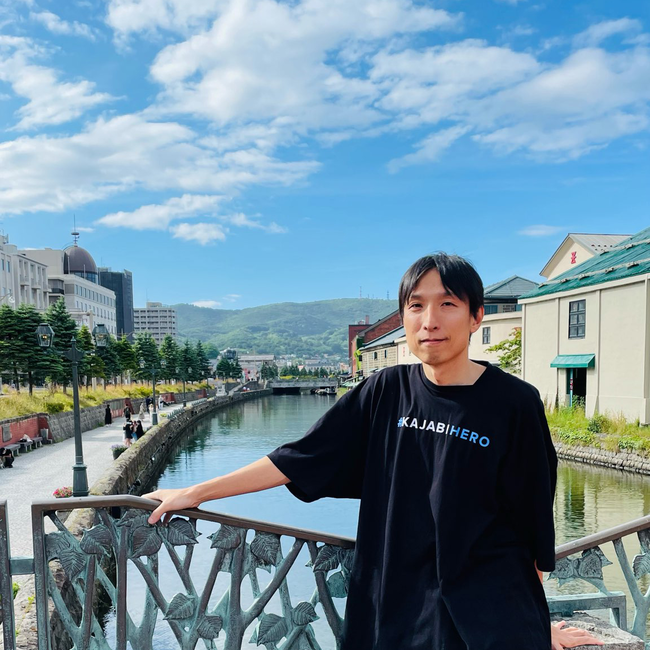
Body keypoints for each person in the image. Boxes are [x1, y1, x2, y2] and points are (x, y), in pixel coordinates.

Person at [144, 253, 602, 650]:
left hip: (488, 611)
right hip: (394, 602)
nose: (430, 320)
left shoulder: (514, 402)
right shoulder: (385, 391)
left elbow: (532, 520)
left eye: (448, 304)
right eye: (416, 306)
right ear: (403, 318)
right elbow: (298, 458)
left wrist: (534, 620)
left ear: (476, 316)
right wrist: (196, 493)